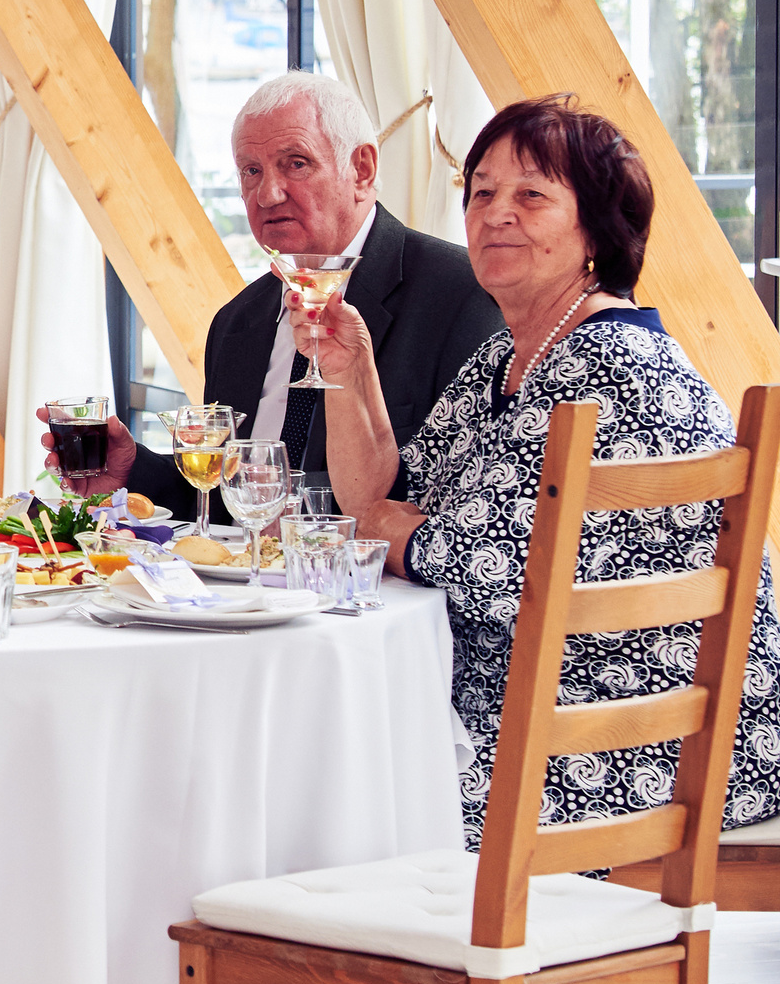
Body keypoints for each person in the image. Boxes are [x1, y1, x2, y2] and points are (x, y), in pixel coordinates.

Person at [300, 94, 780, 845]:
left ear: (597, 228)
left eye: (531, 194)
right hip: (539, 717)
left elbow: (464, 562)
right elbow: (380, 501)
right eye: (482, 191)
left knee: (321, 785)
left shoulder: (615, 367)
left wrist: (400, 527)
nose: (495, 213)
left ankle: (309, 959)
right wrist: (348, 371)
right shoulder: (514, 355)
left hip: (629, 742)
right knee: (316, 757)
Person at [54, 71, 502, 510]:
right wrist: (131, 470)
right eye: (251, 171)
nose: (267, 194)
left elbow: (461, 504)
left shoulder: (463, 296)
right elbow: (225, 499)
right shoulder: (237, 321)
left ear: (362, 170)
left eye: (296, 163)